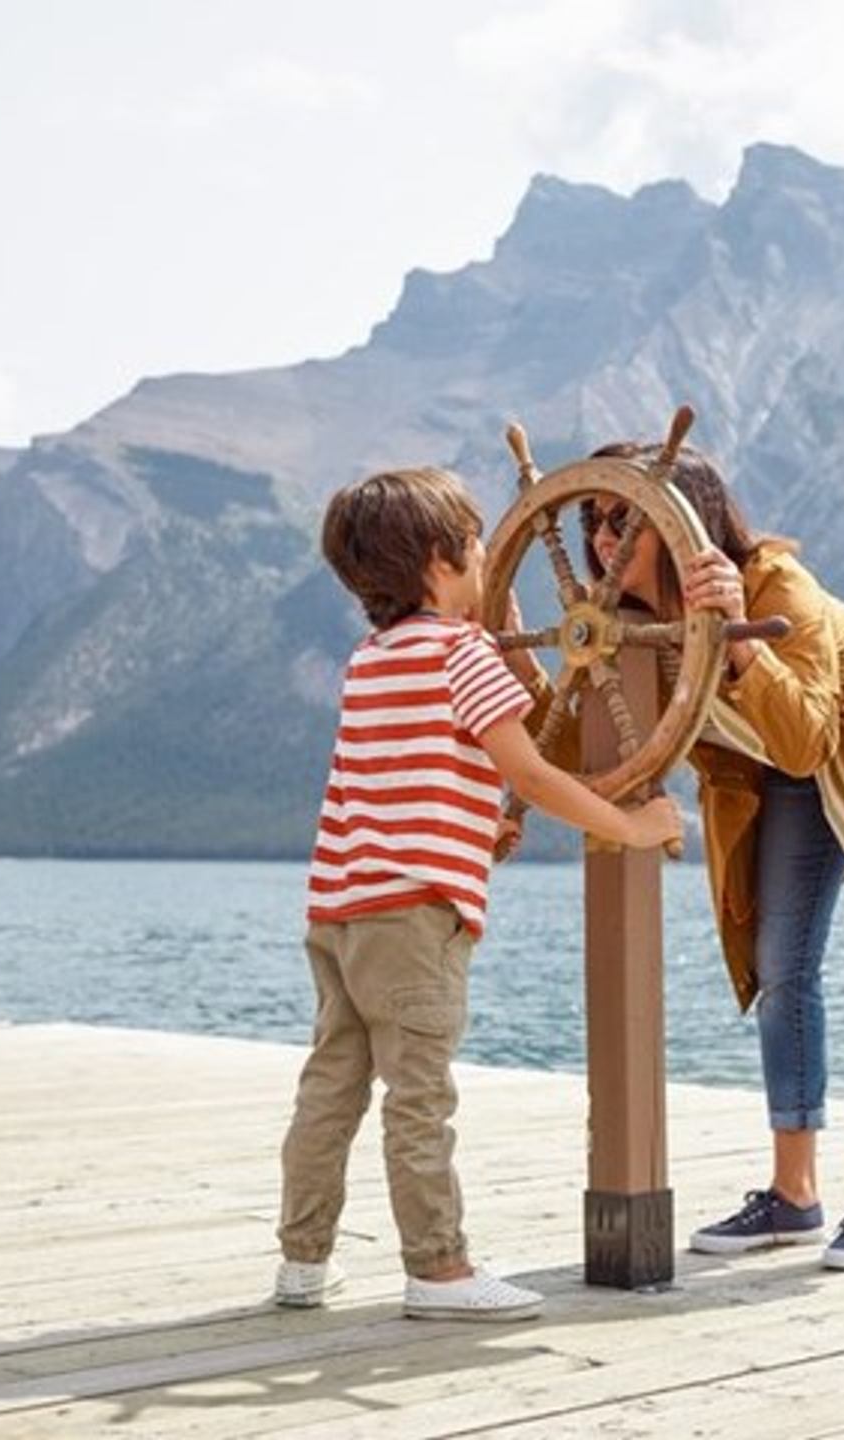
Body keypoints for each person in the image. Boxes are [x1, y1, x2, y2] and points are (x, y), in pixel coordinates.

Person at [579, 442, 844, 1269]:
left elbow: (809, 733)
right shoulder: (635, 628)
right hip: (788, 774)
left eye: (622, 520)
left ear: (686, 521)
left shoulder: (780, 589)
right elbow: (591, 737)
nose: (603, 539)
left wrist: (742, 636)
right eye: (593, 519)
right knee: (782, 968)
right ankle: (795, 1195)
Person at [275, 467, 682, 1320]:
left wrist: (475, 828)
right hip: (416, 919)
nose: (487, 563)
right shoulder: (465, 653)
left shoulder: (370, 661)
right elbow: (531, 772)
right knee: (419, 1097)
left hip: (339, 913)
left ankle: (302, 1263)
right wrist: (632, 823)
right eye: (476, 547)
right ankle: (438, 1269)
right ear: (440, 561)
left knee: (330, 1092)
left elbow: (381, 785)